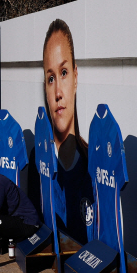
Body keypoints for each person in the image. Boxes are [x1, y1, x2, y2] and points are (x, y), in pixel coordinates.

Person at [43, 18, 92, 243]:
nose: (58, 93)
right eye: (51, 78)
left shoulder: (90, 159)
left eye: (63, 73)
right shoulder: (40, 157)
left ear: (75, 77)